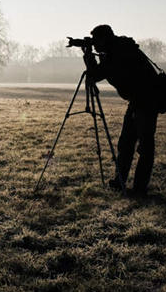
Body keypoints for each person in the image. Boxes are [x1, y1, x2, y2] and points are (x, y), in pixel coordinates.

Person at [68, 25, 159, 196]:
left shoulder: (119, 53)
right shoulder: (117, 48)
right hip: (137, 101)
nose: (94, 45)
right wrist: (87, 49)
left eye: (96, 41)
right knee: (125, 143)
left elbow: (96, 74)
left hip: (146, 100)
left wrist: (88, 56)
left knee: (145, 147)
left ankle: (139, 189)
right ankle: (120, 182)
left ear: (105, 39)